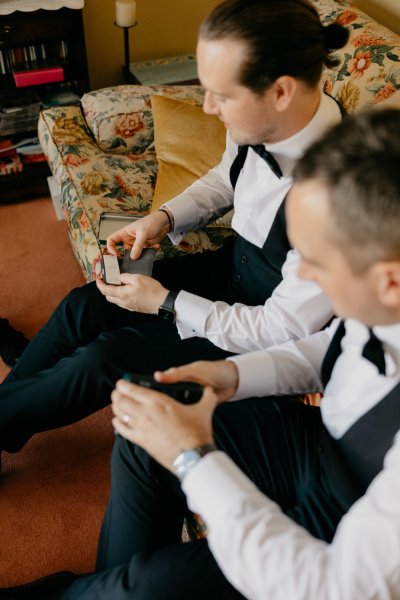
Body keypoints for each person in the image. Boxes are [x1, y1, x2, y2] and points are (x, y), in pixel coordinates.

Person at [3, 107, 400, 600]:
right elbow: (330, 347)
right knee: (147, 431)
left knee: (146, 587)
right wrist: (228, 375)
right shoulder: (381, 295)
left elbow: (328, 584)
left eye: (317, 263)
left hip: (343, 527)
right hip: (317, 442)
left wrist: (193, 458)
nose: (308, 280)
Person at [0, 0, 348, 456]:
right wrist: (162, 218)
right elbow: (226, 176)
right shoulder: (266, 121)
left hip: (262, 331)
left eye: (220, 95)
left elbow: (280, 328)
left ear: (280, 91)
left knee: (105, 357)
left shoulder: (340, 197)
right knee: (83, 306)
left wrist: (165, 302)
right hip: (233, 269)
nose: (207, 107)